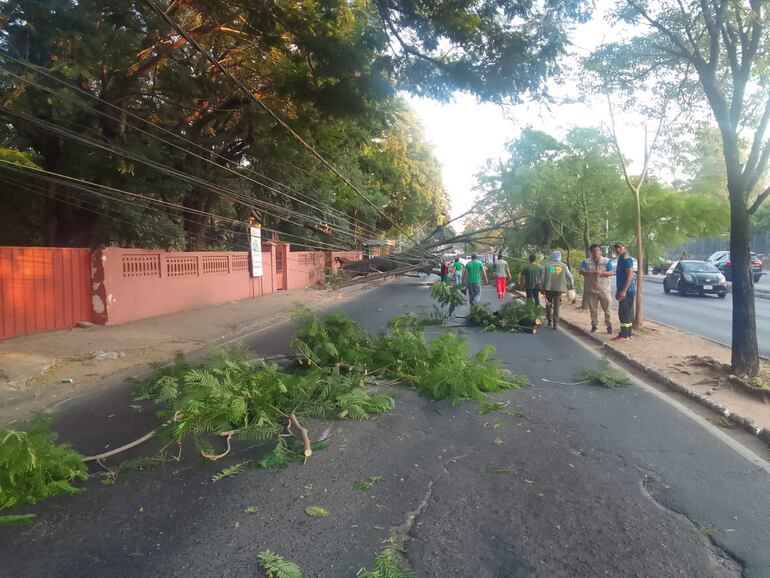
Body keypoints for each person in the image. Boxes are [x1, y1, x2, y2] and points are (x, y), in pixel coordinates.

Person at [579, 244, 614, 334]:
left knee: (607, 309)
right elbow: (581, 271)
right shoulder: (586, 261)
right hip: (591, 289)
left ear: (600, 251)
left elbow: (611, 272)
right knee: (593, 310)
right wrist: (591, 272)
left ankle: (609, 325)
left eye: (598, 250)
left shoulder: (606, 261)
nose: (596, 252)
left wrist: (601, 272)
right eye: (594, 251)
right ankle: (594, 325)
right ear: (591, 252)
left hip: (604, 289)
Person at [540, 251, 574, 330]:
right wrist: (571, 285)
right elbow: (570, 277)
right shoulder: (564, 266)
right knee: (557, 306)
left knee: (548, 304)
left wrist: (541, 287)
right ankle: (556, 323)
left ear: (551, 256)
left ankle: (549, 320)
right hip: (559, 289)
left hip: (548, 288)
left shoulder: (546, 265)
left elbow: (542, 278)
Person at [613, 242, 636, 340]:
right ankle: (627, 333)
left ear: (624, 248)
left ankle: (624, 335)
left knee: (624, 312)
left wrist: (624, 291)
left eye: (620, 247)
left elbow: (630, 276)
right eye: (616, 248)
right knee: (626, 312)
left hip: (627, 290)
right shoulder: (621, 259)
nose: (618, 250)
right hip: (623, 290)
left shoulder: (627, 259)